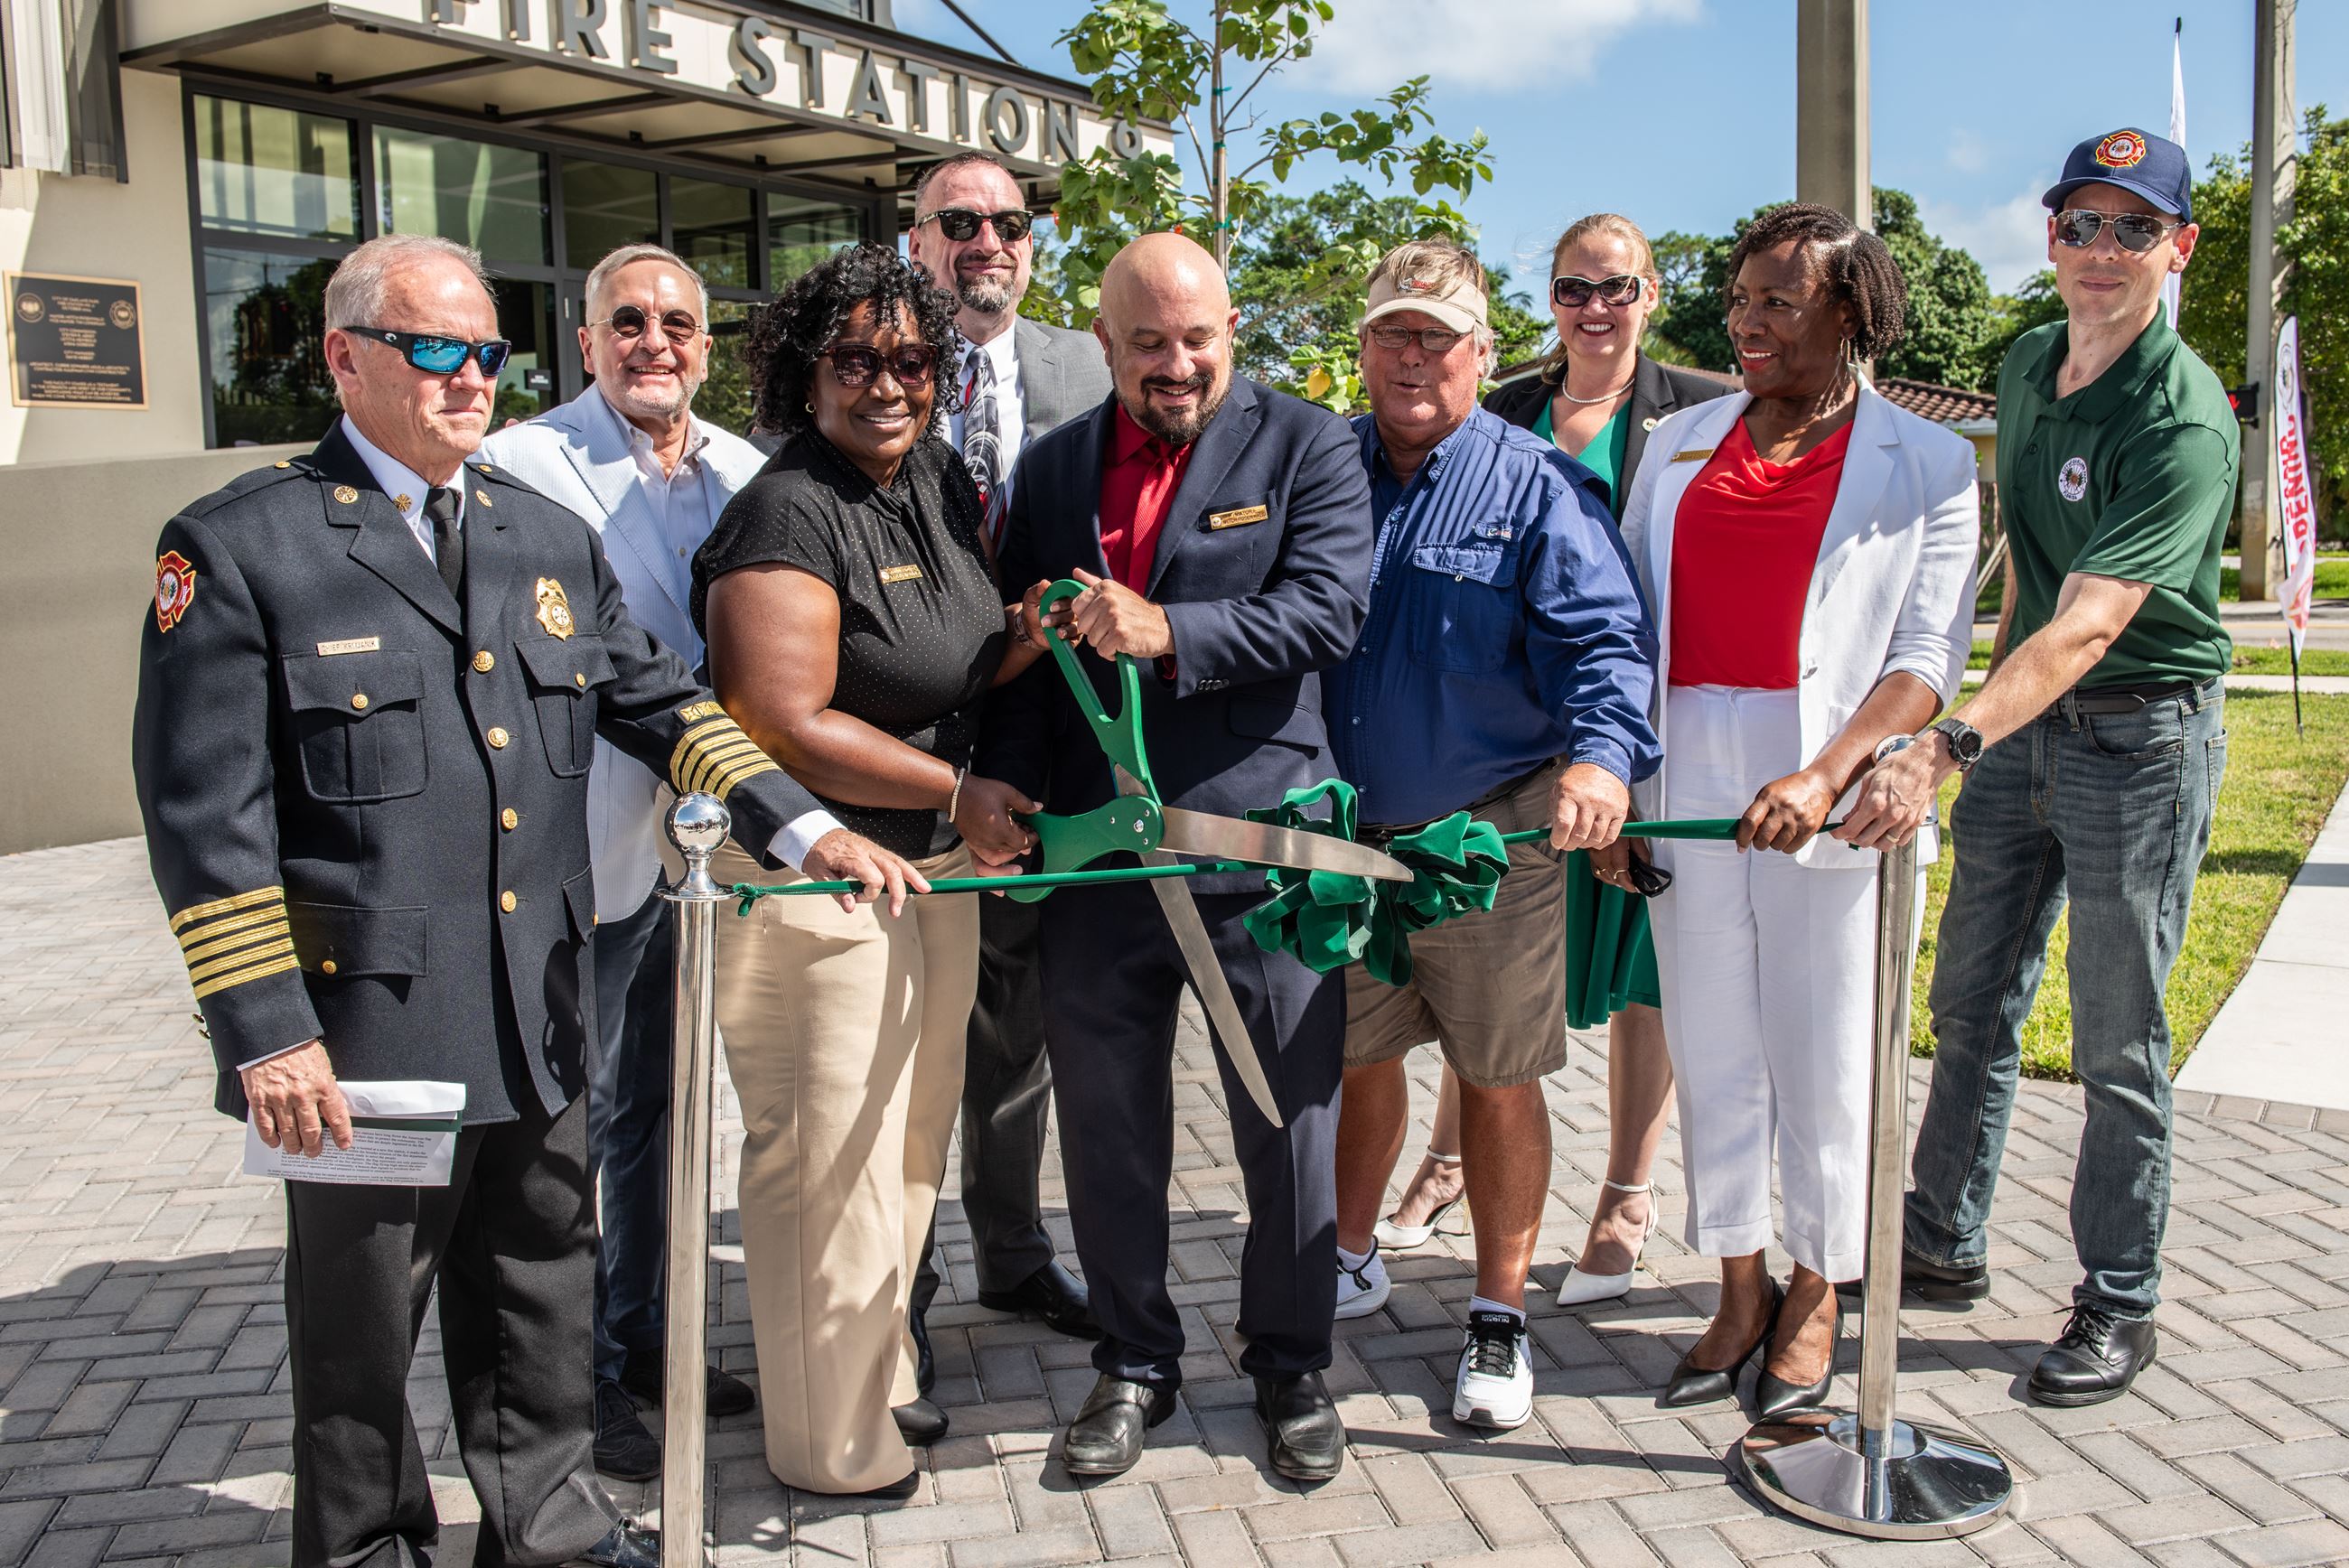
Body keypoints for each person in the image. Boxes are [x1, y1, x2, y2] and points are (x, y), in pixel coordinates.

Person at [129, 232, 913, 1568]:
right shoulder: (242, 548)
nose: (469, 377)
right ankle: (371, 1541)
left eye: (487, 352)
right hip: (365, 1035)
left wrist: (807, 830)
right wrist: (266, 1029)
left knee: (542, 1284)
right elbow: (207, 821)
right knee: (363, 1314)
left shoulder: (539, 536)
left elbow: (661, 705)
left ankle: (544, 1526)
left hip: (537, 1005)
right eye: (435, 349)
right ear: (345, 358)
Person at [1840, 128, 2235, 1408]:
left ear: (2179, 249)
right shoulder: (2024, 365)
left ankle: (2120, 1298)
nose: (2103, 250)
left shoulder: (2183, 417)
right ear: (2052, 239)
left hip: (2141, 736)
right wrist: (1984, 719)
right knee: (1971, 1005)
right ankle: (1941, 1243)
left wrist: (1946, 739)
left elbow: (2093, 620)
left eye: (2135, 228)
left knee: (2119, 1035)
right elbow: (2030, 580)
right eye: (2083, 223)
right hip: (2024, 737)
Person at [978, 232, 1371, 1482]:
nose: (1176, 363)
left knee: (1288, 1121)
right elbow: (1028, 657)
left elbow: (1331, 608)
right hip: (1101, 854)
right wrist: (1007, 777)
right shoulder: (1049, 470)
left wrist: (1169, 628)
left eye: (1196, 337)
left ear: (1231, 331)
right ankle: (1133, 1361)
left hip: (1260, 845)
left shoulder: (1310, 443)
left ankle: (1292, 1364)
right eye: (1147, 341)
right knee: (1108, 1126)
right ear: (1102, 341)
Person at [1613, 203, 1977, 1419]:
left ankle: (1819, 1292)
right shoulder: (1677, 440)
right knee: (1713, 1042)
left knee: (1827, 1051)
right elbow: (1621, 624)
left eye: (1778, 299)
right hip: (1687, 769)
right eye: (1742, 296)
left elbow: (1927, 655)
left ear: (1850, 312)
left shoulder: (1924, 461)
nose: (1746, 319)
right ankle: (1736, 1283)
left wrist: (1828, 770)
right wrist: (1619, 780)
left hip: (1826, 768)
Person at [691, 242, 1043, 1498]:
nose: (886, 382)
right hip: (812, 882)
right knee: (823, 1166)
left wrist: (1026, 640)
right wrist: (957, 788)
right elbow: (776, 718)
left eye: (909, 359)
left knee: (903, 1151)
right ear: (802, 371)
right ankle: (826, 1445)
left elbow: (940, 660)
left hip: (927, 870)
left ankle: (879, 1371)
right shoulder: (787, 509)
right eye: (854, 359)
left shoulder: (936, 478)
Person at [1325, 240, 1659, 1431]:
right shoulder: (1320, 467)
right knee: (1356, 1060)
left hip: (1490, 844)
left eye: (1439, 336)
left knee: (1499, 1079)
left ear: (1479, 352)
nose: (1414, 356)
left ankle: (1499, 1315)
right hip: (1344, 849)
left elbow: (1606, 643)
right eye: (1393, 334)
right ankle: (1351, 1254)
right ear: (1364, 348)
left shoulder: (1535, 483)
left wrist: (1603, 758)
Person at [477, 241, 764, 1480]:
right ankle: (576, 1382)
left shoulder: (747, 471)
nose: (658, 342)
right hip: (578, 843)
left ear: (708, 346)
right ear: (586, 340)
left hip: (703, 856)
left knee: (665, 1110)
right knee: (577, 1125)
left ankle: (648, 1341)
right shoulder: (526, 464)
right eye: (629, 322)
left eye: (681, 325)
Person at [1483, 211, 1735, 1306]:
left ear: (1651, 293)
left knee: (1642, 964)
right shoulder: (1500, 407)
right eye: (1572, 289)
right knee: (1490, 947)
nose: (1594, 309)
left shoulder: (1706, 409)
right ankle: (1454, 1158)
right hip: (1505, 726)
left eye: (1615, 289)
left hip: (1639, 720)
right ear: (1548, 299)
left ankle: (1625, 1191)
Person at [903, 150, 1113, 1366]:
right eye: (961, 221)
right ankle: (902, 1278)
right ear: (917, 237)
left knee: (1019, 1019)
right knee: (910, 1027)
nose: (989, 240)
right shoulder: (874, 356)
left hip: (1045, 740)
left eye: (1011, 222)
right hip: (906, 742)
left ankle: (1013, 1251)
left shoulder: (1088, 365)